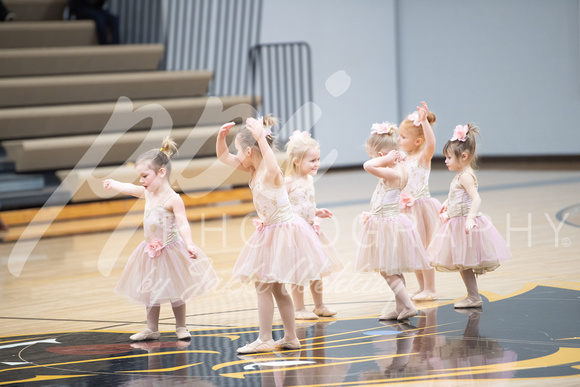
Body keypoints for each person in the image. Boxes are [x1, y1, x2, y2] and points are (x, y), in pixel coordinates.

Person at [216, 116, 329, 354]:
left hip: (283, 232)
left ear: (248, 151)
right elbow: (223, 157)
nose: (235, 155)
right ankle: (290, 337)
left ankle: (265, 338)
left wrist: (260, 137)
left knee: (263, 286)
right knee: (276, 288)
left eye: (238, 151)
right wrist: (220, 138)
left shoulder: (270, 173)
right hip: (273, 231)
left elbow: (273, 164)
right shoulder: (253, 168)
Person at [103, 137, 219, 341]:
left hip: (171, 250)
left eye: (144, 176)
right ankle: (152, 328)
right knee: (150, 290)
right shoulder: (147, 193)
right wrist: (114, 184)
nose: (141, 181)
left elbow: (183, 223)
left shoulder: (173, 199)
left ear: (161, 172)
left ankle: (181, 326)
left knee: (177, 290)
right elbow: (130, 189)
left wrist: (189, 244)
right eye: (139, 176)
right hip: (149, 251)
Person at [427, 124, 512, 308]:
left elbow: (476, 198)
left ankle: (474, 297)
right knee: (463, 264)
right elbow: (457, 195)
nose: (446, 161)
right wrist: (446, 203)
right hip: (457, 222)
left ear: (463, 156)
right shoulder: (460, 174)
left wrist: (471, 218)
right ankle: (473, 296)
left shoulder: (465, 176)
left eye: (449, 157)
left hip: (463, 224)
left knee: (464, 263)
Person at [355, 122, 431, 321]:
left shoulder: (394, 172)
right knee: (393, 268)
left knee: (386, 270)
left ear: (381, 156)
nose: (371, 160)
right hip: (388, 222)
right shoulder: (397, 168)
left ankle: (407, 305)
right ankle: (400, 308)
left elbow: (367, 166)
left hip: (387, 224)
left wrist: (385, 159)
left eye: (373, 156)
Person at [284, 130, 343, 320]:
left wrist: (316, 212)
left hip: (310, 229)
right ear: (296, 161)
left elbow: (306, 202)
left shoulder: (309, 179)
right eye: (312, 160)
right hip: (296, 233)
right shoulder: (288, 181)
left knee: (317, 268)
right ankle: (299, 308)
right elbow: (283, 206)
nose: (317, 163)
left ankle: (319, 305)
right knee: (298, 270)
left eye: (318, 159)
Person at [397, 102, 440, 302]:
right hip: (405, 210)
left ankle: (430, 288)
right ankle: (422, 287)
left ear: (418, 141)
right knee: (413, 250)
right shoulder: (403, 159)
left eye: (403, 137)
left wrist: (424, 122)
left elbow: (431, 144)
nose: (398, 139)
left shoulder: (423, 157)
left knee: (423, 250)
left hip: (421, 208)